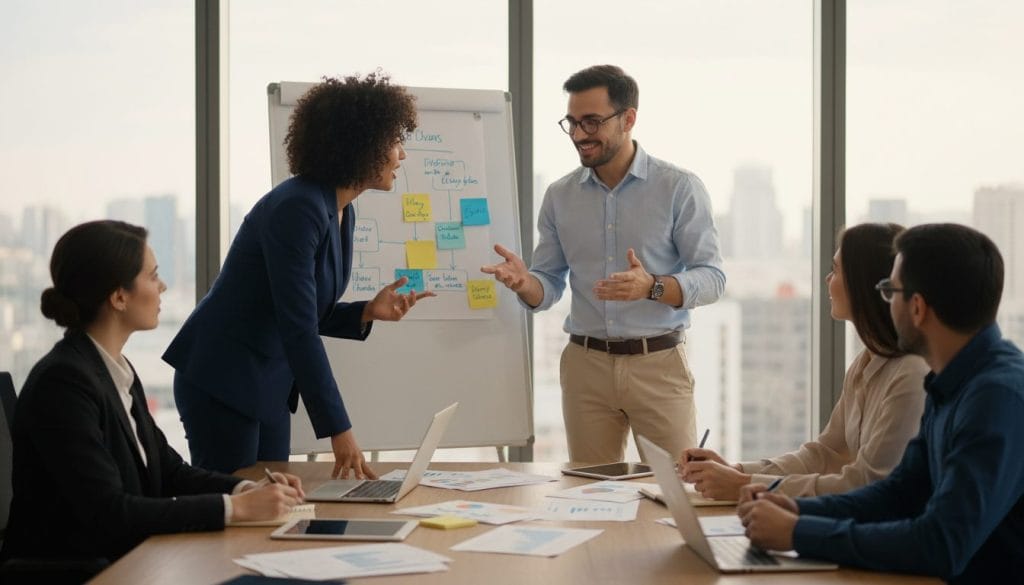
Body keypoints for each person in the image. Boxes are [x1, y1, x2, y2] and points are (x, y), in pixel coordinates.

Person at [164, 72, 433, 478]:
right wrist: (339, 429)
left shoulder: (341, 210)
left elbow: (303, 309)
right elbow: (298, 327)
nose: (402, 155)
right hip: (224, 381)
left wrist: (365, 312)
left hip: (266, 385)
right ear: (364, 145)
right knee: (236, 516)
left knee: (277, 506)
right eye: (396, 142)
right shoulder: (299, 208)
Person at [0, 221, 303, 566]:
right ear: (118, 296)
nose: (163, 286)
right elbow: (110, 513)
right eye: (152, 276)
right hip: (85, 572)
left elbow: (169, 471)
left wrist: (243, 490)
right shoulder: (63, 383)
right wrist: (235, 510)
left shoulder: (115, 369)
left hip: (130, 561)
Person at [738, 223, 1024, 583]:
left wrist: (798, 533)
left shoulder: (996, 399)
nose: (885, 303)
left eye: (890, 291)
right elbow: (898, 493)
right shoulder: (951, 380)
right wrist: (795, 510)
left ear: (917, 307)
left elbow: (941, 544)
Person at [481, 65, 725, 463]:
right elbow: (548, 284)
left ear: (628, 118)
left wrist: (652, 286)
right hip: (585, 368)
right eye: (572, 123)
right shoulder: (559, 196)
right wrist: (526, 283)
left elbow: (712, 278)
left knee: (672, 498)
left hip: (658, 366)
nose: (579, 135)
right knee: (591, 497)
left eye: (591, 122)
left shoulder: (678, 188)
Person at [679, 223, 928, 501]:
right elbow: (824, 453)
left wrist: (744, 484)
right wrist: (735, 470)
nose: (827, 279)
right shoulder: (865, 362)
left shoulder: (911, 374)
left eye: (835, 270)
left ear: (862, 285)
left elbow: (866, 483)